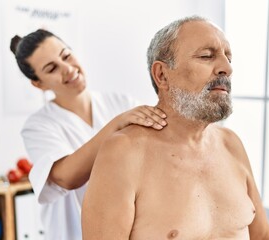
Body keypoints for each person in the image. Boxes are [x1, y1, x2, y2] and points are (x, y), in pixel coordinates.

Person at [82, 16, 269, 240]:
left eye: (228, 57)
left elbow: (263, 235)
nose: (226, 68)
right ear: (162, 75)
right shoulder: (123, 152)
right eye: (207, 56)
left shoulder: (231, 143)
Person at [10, 29, 167, 240]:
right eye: (51, 68)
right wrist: (116, 124)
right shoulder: (38, 125)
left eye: (66, 56)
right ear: (39, 83)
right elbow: (66, 177)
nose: (67, 69)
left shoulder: (121, 103)